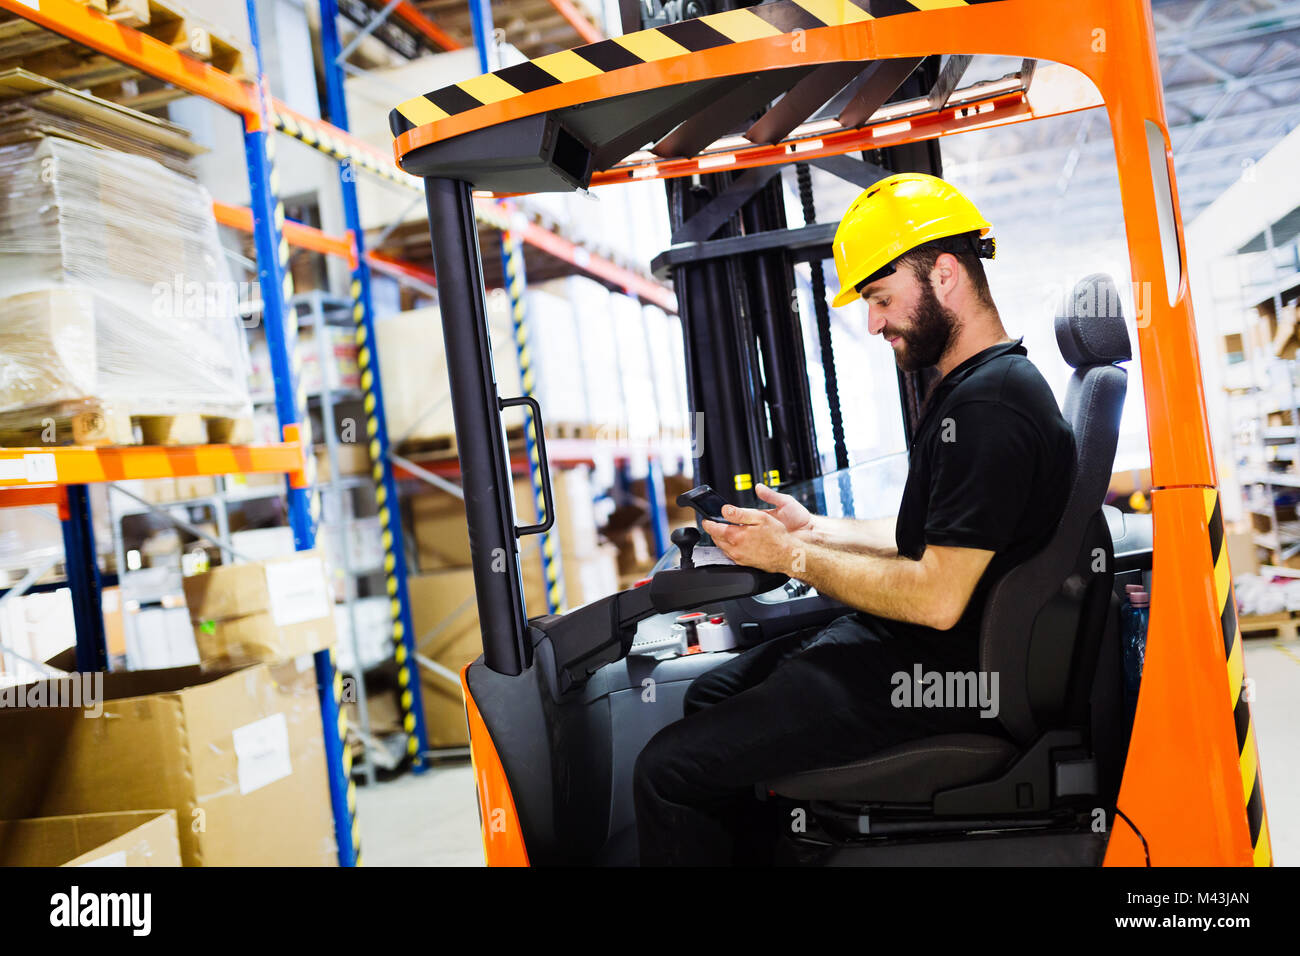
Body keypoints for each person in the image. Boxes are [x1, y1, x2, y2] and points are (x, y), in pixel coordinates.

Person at [632, 172, 1075, 866]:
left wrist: (791, 561)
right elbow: (928, 539)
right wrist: (811, 530)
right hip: (932, 657)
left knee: (666, 770)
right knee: (712, 695)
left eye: (880, 298)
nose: (872, 322)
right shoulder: (981, 387)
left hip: (937, 678)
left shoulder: (989, 410)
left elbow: (935, 594)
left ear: (947, 274)